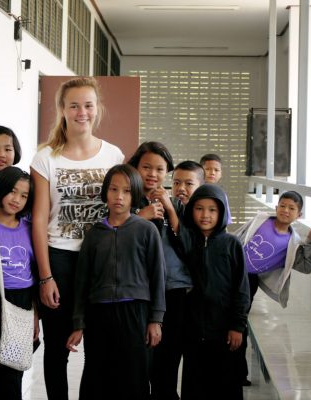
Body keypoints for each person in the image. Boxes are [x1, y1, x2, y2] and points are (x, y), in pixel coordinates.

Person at [30, 76, 124, 400]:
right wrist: (45, 276)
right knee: (57, 350)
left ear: (97, 109)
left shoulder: (113, 155)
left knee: (98, 348)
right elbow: (40, 218)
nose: (81, 112)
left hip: (102, 260)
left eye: (88, 105)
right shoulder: (46, 157)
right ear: (62, 110)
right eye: (74, 105)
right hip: (61, 258)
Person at [66, 164, 166, 400]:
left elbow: (158, 277)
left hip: (135, 313)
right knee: (97, 377)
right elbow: (82, 282)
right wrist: (79, 323)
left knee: (133, 377)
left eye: (127, 191)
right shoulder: (94, 234)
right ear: (105, 193)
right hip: (99, 313)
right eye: (113, 189)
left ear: (136, 195)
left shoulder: (146, 230)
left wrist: (156, 319)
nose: (119, 197)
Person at [127, 142, 190, 400]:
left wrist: (170, 207)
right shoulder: (125, 199)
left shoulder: (178, 204)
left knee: (166, 368)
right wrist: (141, 215)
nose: (153, 174)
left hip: (173, 292)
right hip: (139, 293)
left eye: (160, 169)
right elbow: (113, 237)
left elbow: (189, 246)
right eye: (146, 167)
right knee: (140, 366)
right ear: (135, 167)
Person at [233, 191, 311, 385]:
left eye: (292, 208)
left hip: (249, 281)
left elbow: (306, 266)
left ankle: (237, 374)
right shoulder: (261, 220)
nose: (286, 210)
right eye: (283, 205)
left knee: (238, 324)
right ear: (276, 207)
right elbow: (237, 237)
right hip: (231, 270)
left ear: (299, 215)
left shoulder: (293, 244)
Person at [177, 184, 250, 400]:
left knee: (226, 384)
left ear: (222, 212)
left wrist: (237, 325)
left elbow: (241, 289)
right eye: (199, 208)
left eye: (212, 210)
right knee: (195, 384)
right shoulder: (187, 242)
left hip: (225, 330)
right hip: (193, 330)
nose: (205, 215)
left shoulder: (231, 244)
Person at [0, 166, 39, 399]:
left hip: (21, 300)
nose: (17, 200)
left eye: (24, 195)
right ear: (1, 189)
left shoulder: (30, 228)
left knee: (12, 367)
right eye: (13, 192)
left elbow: (34, 271)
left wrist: (34, 314)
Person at [200, 153, 232, 225]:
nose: (212, 173)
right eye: (208, 169)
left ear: (221, 174)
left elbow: (225, 222)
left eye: (216, 170)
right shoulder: (195, 191)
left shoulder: (222, 195)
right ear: (200, 171)